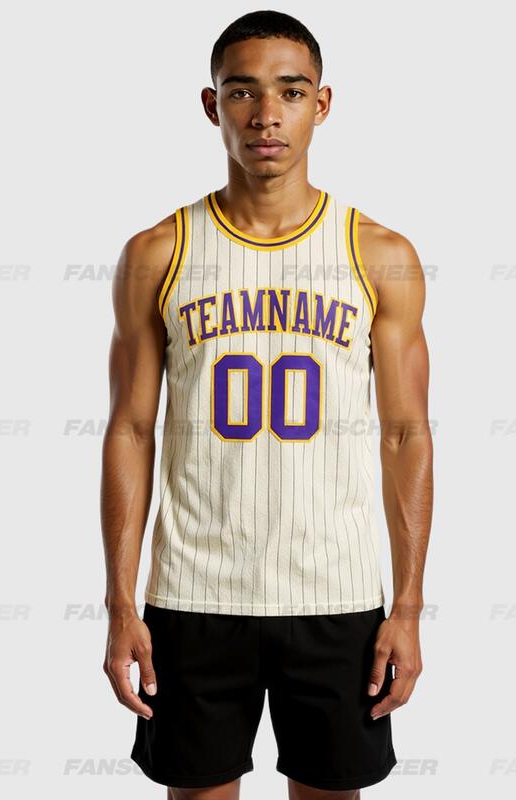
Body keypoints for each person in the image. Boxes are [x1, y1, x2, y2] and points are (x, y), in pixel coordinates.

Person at [101, 10, 433, 799]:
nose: (266, 115)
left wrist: (408, 608)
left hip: (337, 595)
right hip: (194, 594)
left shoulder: (379, 255)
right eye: (242, 91)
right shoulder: (158, 253)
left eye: (290, 91)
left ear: (322, 104)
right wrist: (120, 605)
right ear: (212, 105)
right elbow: (131, 430)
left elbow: (405, 436)